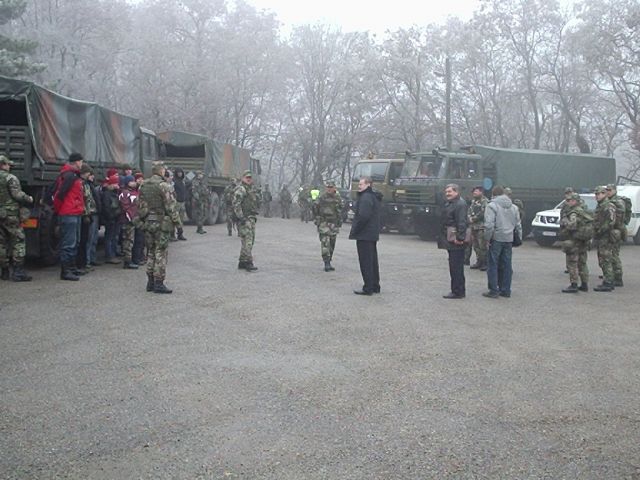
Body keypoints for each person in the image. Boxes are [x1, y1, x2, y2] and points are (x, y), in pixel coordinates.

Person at [137, 162, 181, 293]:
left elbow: (140, 205)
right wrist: (178, 223)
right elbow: (171, 206)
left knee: (150, 252)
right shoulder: (164, 186)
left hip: (148, 223)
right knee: (160, 253)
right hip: (161, 224)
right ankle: (159, 283)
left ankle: (150, 282)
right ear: (161, 171)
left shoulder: (143, 185)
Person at [483, 185, 522, 298]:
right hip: (509, 238)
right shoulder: (514, 207)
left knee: (493, 264)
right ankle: (505, 290)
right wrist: (518, 238)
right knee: (507, 265)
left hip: (496, 238)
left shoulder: (491, 206)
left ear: (493, 194)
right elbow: (518, 225)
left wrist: (487, 238)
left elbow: (489, 225)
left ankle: (493, 290)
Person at [0, 155, 34, 281]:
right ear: (3, 165)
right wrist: (28, 198)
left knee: (1, 243)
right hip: (11, 215)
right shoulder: (10, 178)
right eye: (8, 164)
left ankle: (4, 271)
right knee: (18, 240)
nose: (9, 166)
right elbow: (17, 194)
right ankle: (18, 272)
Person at [53, 152, 85, 281]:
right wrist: (59, 210)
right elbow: (60, 194)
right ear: (77, 162)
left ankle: (71, 268)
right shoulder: (69, 176)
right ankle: (66, 271)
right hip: (69, 213)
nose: (82, 164)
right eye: (81, 161)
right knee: (69, 243)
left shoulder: (72, 175)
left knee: (75, 242)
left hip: (74, 212)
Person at [349, 176, 381, 295]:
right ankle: (375, 285)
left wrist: (356, 229)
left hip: (365, 234)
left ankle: (368, 287)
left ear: (368, 185)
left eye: (361, 184)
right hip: (371, 233)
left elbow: (363, 216)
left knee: (366, 262)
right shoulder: (373, 196)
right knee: (372, 261)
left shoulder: (366, 197)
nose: (359, 186)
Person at [439, 184, 468, 299]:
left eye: (450, 192)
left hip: (456, 239)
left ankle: (458, 291)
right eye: (446, 192)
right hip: (451, 238)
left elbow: (462, 222)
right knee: (454, 265)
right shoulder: (451, 203)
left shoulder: (460, 204)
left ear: (456, 192)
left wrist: (460, 238)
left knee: (456, 266)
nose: (447, 194)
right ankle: (457, 289)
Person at [559, 192, 592, 293]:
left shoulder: (574, 213)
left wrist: (564, 221)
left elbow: (572, 226)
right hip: (583, 241)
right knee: (582, 263)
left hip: (575, 241)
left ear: (574, 201)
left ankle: (574, 285)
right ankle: (584, 284)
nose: (568, 202)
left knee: (572, 263)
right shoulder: (583, 211)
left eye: (569, 200)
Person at [312, 180, 344, 271]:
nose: (329, 189)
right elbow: (314, 207)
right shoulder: (322, 197)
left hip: (334, 224)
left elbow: (341, 209)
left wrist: (339, 221)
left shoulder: (338, 198)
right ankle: (326, 262)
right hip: (324, 223)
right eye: (328, 187)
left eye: (331, 187)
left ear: (334, 188)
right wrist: (317, 218)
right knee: (325, 243)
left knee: (332, 244)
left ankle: (329, 260)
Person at [232, 170, 260, 271]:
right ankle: (248, 262)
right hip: (244, 218)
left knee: (249, 240)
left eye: (250, 177)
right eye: (247, 177)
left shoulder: (250, 189)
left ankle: (242, 262)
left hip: (251, 218)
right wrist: (241, 217)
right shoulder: (241, 189)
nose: (249, 179)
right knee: (248, 240)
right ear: (243, 178)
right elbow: (236, 204)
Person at [593, 186, 617, 292]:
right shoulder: (600, 206)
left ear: (604, 194)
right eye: (596, 194)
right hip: (601, 236)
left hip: (606, 236)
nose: (597, 196)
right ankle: (607, 280)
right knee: (602, 259)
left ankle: (608, 282)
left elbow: (611, 221)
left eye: (599, 194)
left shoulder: (608, 206)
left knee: (606, 259)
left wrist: (600, 230)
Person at [76, 165, 96, 274]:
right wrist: (85, 214)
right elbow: (82, 200)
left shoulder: (86, 184)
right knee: (81, 241)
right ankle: (80, 264)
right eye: (88, 173)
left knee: (85, 240)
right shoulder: (81, 184)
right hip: (83, 215)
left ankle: (83, 264)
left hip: (87, 214)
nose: (90, 175)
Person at [605, 184, 625, 286]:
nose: (608, 192)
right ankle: (612, 274)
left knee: (614, 255)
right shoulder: (610, 201)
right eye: (607, 190)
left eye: (609, 190)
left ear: (614, 190)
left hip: (615, 231)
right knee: (611, 254)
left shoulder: (617, 202)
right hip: (613, 231)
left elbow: (618, 219)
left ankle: (618, 277)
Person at [118, 175, 140, 269]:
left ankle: (130, 259)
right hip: (128, 220)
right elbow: (125, 207)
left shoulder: (134, 192)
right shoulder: (125, 193)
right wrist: (130, 217)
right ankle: (127, 261)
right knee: (128, 240)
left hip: (133, 219)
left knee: (131, 240)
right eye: (132, 181)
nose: (134, 183)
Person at [101, 174, 122, 264]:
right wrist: (111, 217)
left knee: (114, 237)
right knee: (110, 237)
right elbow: (106, 207)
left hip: (115, 218)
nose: (117, 185)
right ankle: (109, 255)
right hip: (111, 218)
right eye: (116, 183)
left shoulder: (114, 193)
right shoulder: (107, 194)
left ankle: (113, 253)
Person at [468, 186, 488, 271]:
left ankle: (485, 263)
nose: (474, 193)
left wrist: (474, 218)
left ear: (481, 192)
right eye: (474, 191)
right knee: (475, 246)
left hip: (481, 227)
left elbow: (483, 212)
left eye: (476, 191)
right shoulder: (473, 202)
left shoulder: (485, 201)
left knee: (482, 246)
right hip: (473, 227)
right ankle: (479, 261)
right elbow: (469, 211)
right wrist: (469, 218)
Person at [85, 168, 102, 267]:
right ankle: (87, 260)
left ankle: (92, 258)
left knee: (94, 238)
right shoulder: (86, 186)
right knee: (90, 238)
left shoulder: (92, 186)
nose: (92, 177)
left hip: (95, 213)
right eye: (90, 175)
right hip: (91, 213)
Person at [172, 168, 188, 241]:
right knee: (175, 219)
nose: (180, 174)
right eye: (178, 172)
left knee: (181, 220)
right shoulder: (174, 182)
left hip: (182, 202)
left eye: (181, 172)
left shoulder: (182, 181)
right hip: (176, 202)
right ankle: (172, 234)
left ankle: (180, 234)